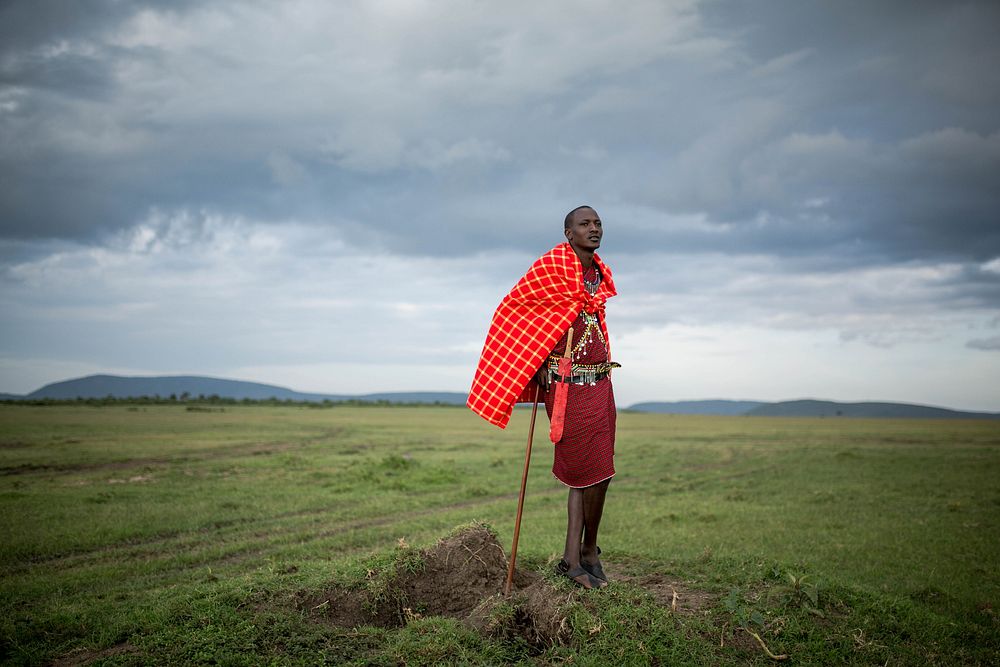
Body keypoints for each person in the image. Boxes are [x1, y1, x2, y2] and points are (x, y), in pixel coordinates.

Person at [467, 205, 619, 590]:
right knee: (582, 473)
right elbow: (514, 309)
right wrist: (535, 365)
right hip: (568, 388)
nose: (594, 228)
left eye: (598, 223)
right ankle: (574, 559)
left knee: (601, 474)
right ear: (568, 233)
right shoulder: (552, 267)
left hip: (601, 384)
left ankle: (586, 552)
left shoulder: (598, 275)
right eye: (584, 224)